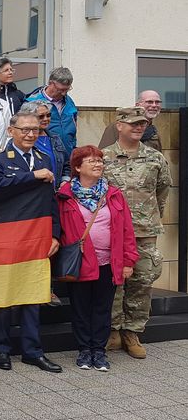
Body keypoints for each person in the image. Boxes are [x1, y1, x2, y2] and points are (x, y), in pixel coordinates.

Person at [0, 111, 62, 373]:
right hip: (6, 236)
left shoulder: (44, 158)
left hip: (36, 237)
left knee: (33, 294)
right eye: (25, 129)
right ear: (11, 131)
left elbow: (51, 201)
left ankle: (32, 351)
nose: (30, 134)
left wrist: (55, 234)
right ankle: (1, 349)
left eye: (35, 130)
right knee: (4, 295)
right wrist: (32, 176)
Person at [57, 146, 138, 371]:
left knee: (103, 308)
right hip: (80, 262)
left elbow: (127, 231)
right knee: (81, 308)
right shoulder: (64, 195)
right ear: (77, 167)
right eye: (91, 161)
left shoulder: (113, 194)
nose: (98, 164)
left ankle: (99, 351)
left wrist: (129, 260)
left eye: (100, 160)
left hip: (108, 262)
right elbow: (58, 230)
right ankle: (84, 350)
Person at [102, 106, 172, 359]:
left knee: (142, 281)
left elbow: (163, 190)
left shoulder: (155, 158)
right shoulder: (104, 157)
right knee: (115, 281)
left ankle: (132, 332)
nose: (139, 127)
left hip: (144, 230)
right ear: (119, 126)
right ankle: (113, 330)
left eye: (142, 123)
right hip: (112, 232)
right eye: (133, 123)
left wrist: (150, 217)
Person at [26, 67, 77, 153]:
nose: (64, 93)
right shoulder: (32, 102)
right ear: (51, 83)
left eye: (67, 89)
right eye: (60, 90)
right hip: (44, 153)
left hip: (68, 153)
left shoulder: (69, 101)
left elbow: (74, 124)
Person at [21, 100, 71, 187]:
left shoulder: (55, 138)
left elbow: (66, 164)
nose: (46, 119)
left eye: (48, 115)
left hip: (55, 192)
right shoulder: (22, 140)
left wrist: (65, 180)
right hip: (34, 193)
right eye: (41, 116)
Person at [99, 90, 164, 151]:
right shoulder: (119, 126)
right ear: (137, 105)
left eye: (157, 102)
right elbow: (103, 154)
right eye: (149, 102)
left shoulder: (153, 132)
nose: (154, 105)